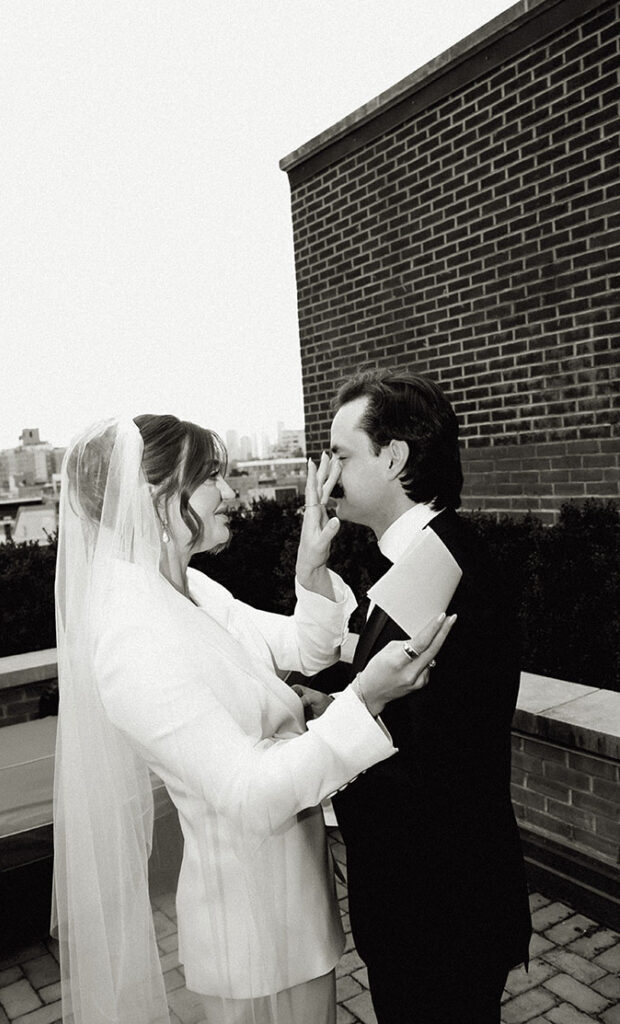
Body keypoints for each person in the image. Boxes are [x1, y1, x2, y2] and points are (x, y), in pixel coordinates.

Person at [52, 413, 455, 1024]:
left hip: (296, 910)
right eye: (213, 476)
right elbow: (247, 793)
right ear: (159, 496)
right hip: (249, 934)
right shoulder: (131, 641)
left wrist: (312, 565)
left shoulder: (194, 590)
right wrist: (363, 701)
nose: (233, 492)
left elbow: (303, 648)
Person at [297, 371, 532, 1024]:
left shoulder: (438, 567)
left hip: (436, 916)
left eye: (342, 455)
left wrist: (313, 763)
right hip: (438, 905)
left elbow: (417, 758)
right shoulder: (429, 554)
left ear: (393, 457)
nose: (330, 475)